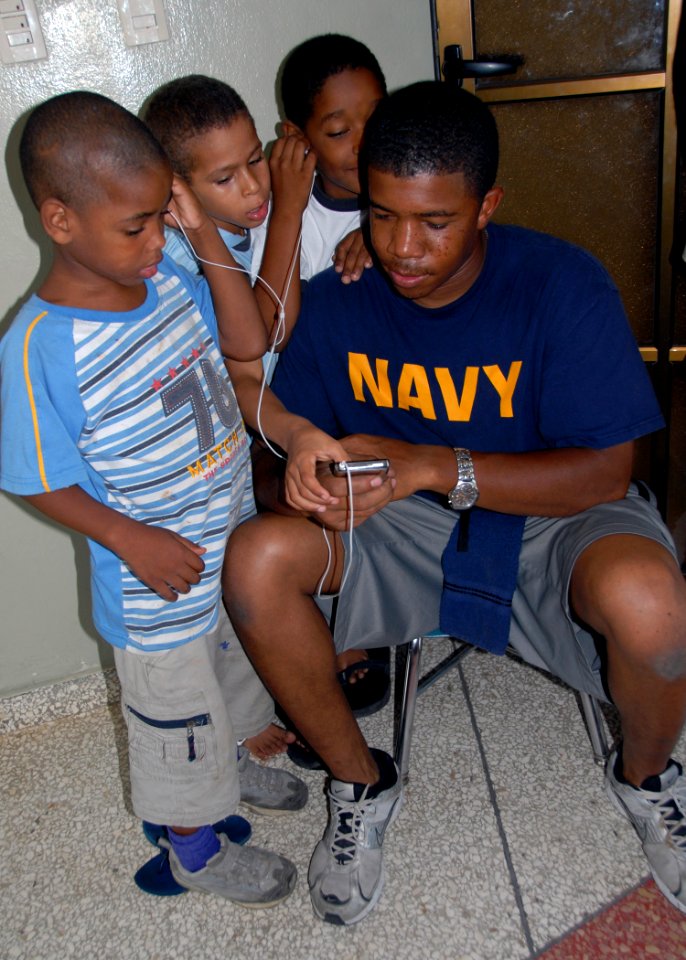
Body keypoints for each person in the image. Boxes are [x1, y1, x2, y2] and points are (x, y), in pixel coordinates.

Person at [223, 80, 686, 925]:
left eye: (435, 222)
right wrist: (304, 482)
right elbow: (277, 452)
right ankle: (360, 781)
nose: (403, 247)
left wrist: (434, 466)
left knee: (652, 604)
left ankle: (647, 776)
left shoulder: (561, 284)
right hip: (397, 524)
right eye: (384, 214)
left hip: (551, 515)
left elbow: (604, 475)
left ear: (487, 206)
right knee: (256, 561)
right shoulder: (340, 299)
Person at [0, 90, 344, 907]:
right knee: (173, 724)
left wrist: (203, 241)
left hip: (222, 537)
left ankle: (224, 776)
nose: (156, 239)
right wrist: (129, 539)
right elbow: (31, 475)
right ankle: (192, 844)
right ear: (60, 220)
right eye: (136, 226)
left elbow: (244, 341)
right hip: (152, 581)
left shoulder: (169, 280)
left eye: (164, 216)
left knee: (224, 685)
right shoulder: (36, 349)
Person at [279, 34, 393, 719]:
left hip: (404, 403)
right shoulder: (288, 213)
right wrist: (289, 211)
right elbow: (275, 332)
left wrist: (386, 236)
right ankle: (342, 625)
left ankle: (375, 608)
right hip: (323, 406)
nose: (362, 143)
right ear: (299, 140)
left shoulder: (416, 190)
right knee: (311, 472)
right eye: (337, 130)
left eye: (375, 120)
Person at [143, 74, 316, 377]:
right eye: (225, 179)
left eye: (254, 160)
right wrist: (289, 211)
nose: (252, 186)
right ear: (177, 187)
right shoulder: (182, 256)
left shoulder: (244, 225)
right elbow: (269, 332)